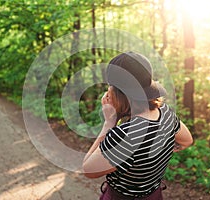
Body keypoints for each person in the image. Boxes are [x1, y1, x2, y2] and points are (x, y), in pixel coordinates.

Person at [82, 52, 193, 200]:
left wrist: (108, 124)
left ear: (117, 93)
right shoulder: (166, 113)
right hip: (154, 195)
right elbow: (186, 141)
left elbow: (88, 170)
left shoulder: (124, 136)